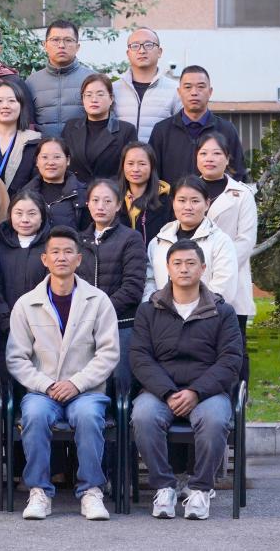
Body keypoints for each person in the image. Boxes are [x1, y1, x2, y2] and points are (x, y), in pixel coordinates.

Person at [7, 226, 119, 522]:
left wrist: (76, 383)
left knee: (88, 417)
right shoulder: (26, 304)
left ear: (79, 259)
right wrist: (46, 385)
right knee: (34, 416)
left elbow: (108, 353)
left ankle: (91, 490)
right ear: (44, 259)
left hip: (86, 391)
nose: (61, 257)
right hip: (42, 391)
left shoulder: (98, 301)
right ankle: (39, 491)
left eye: (68, 252)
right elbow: (16, 358)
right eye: (55, 252)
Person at [130, 239, 244, 521]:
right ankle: (164, 487)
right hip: (160, 391)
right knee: (143, 416)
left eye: (191, 263)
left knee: (215, 420)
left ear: (203, 268)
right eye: (177, 263)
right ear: (167, 269)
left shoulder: (222, 311)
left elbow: (230, 360)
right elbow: (140, 358)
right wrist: (168, 392)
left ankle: (201, 489)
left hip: (207, 392)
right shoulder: (149, 309)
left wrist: (196, 391)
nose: (184, 269)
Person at [77, 179, 148, 386]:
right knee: (87, 383)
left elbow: (133, 287)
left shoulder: (131, 238)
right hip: (83, 325)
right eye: (95, 200)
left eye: (108, 201)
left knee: (118, 384)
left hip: (121, 324)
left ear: (118, 205)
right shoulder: (78, 240)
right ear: (87, 204)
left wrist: (100, 312)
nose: (101, 206)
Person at [147, 177, 241, 311]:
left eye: (195, 201)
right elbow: (149, 281)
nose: (188, 207)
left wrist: (193, 311)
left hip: (206, 316)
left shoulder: (220, 241)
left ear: (207, 204)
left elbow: (224, 285)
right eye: (181, 200)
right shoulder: (158, 241)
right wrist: (156, 308)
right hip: (162, 315)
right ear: (173, 203)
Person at [197, 132, 258, 329]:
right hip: (192, 278)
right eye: (203, 153)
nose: (209, 159)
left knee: (233, 340)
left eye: (216, 153)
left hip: (233, 280)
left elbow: (246, 240)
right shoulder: (186, 192)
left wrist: (220, 267)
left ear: (227, 158)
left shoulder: (243, 194)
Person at [148, 65, 248, 186]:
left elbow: (238, 173)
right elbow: (153, 174)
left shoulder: (226, 129)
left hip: (216, 198)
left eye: (200, 87)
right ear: (179, 92)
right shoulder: (162, 130)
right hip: (173, 198)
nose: (194, 92)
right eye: (188, 87)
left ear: (210, 92)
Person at [0, 191, 52, 348]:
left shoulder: (51, 248)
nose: (25, 219)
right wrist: (7, 322)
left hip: (44, 331)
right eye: (18, 213)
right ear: (10, 215)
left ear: (42, 216)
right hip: (4, 330)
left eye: (32, 214)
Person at [62, 73, 138, 184]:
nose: (94, 99)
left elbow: (129, 169)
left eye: (100, 94)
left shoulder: (126, 130)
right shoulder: (71, 127)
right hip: (75, 191)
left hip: (110, 191)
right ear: (83, 99)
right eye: (88, 95)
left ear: (111, 99)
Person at [25, 20, 95, 137]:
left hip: (83, 148)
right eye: (55, 40)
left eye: (68, 40)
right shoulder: (32, 82)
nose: (61, 45)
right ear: (45, 45)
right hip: (43, 147)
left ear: (77, 47)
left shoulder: (93, 80)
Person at [113, 28, 180, 142]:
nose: (142, 51)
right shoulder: (113, 89)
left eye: (148, 45)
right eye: (135, 46)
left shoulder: (176, 90)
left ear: (159, 52)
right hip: (121, 154)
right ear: (128, 53)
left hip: (160, 154)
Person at [0, 80, 42, 196]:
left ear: (21, 107)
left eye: (11, 101)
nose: (5, 106)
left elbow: (37, 182)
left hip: (22, 204)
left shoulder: (35, 141)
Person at [22, 137, 88, 231]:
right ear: (37, 161)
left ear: (68, 160)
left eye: (57, 157)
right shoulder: (24, 194)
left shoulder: (82, 194)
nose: (50, 163)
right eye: (44, 157)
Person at [119, 141, 175, 244]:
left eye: (142, 164)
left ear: (152, 167)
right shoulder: (114, 199)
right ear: (123, 166)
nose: (135, 169)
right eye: (130, 163)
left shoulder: (166, 202)